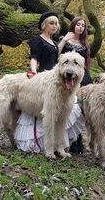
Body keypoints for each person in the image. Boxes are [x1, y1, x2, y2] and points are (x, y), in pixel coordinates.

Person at [14, 12, 85, 154]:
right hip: (43, 78)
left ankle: (62, 147)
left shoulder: (53, 43)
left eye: (56, 23)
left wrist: (63, 41)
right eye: (51, 23)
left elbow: (59, 58)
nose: (54, 26)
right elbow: (34, 57)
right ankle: (46, 148)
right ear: (44, 24)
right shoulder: (37, 40)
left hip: (56, 76)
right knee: (47, 116)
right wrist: (33, 72)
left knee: (63, 116)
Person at [59, 16, 92, 153]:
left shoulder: (85, 44)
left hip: (82, 79)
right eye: (78, 24)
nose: (80, 27)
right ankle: (67, 141)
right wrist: (64, 40)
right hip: (67, 78)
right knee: (70, 109)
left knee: (80, 111)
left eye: (83, 25)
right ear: (73, 25)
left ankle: (78, 142)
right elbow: (57, 53)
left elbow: (86, 64)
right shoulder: (65, 39)